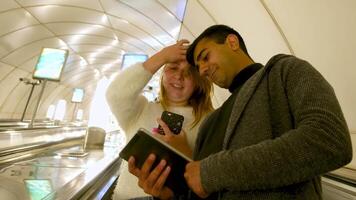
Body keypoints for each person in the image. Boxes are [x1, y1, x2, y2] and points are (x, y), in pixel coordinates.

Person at [128, 24, 352, 199]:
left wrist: (213, 171)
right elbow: (203, 188)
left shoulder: (284, 71)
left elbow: (329, 140)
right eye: (199, 66)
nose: (203, 69)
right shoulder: (211, 121)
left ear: (232, 42)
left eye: (205, 57)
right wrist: (168, 194)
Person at [106, 39, 214, 199]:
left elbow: (209, 177)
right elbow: (116, 95)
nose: (179, 76)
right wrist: (162, 57)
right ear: (162, 74)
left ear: (199, 81)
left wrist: (184, 151)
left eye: (189, 72)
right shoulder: (141, 109)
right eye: (173, 67)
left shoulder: (209, 120)